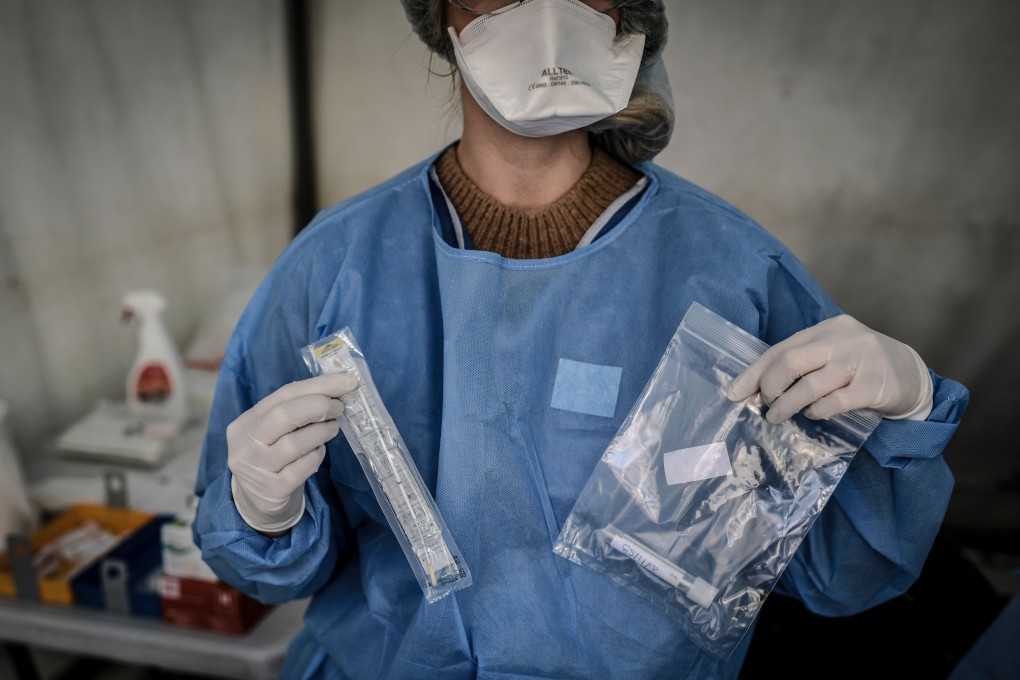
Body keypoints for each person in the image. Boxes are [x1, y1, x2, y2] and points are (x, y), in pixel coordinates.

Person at [192, 1, 970, 677]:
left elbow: (839, 572)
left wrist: (902, 419)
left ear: (628, 21)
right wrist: (261, 511)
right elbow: (271, 572)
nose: (547, 16)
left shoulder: (734, 273)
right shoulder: (335, 268)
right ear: (442, 18)